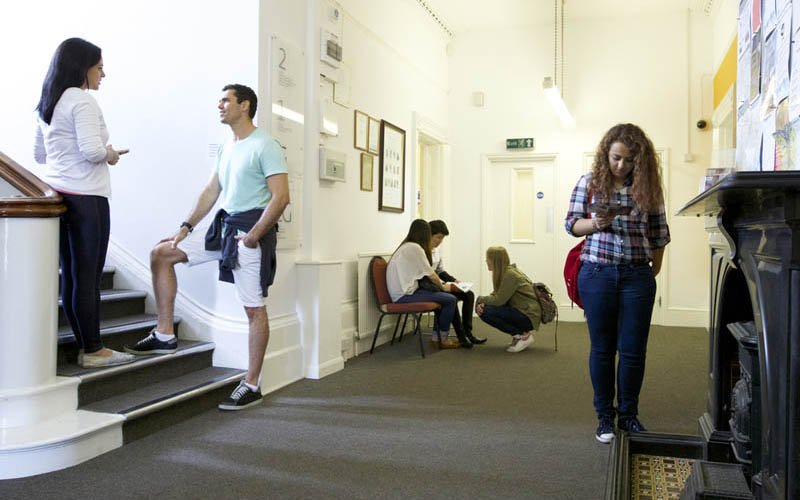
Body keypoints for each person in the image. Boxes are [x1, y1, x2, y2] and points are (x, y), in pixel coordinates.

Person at [123, 84, 290, 411]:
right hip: (223, 227)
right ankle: (165, 334)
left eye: (226, 100)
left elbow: (281, 196)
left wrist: (255, 234)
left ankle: (252, 383)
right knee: (162, 253)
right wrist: (185, 228)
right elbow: (211, 191)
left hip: (248, 233)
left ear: (244, 105)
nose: (220, 105)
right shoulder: (228, 147)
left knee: (254, 309)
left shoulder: (266, 145)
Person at [564, 123, 670, 444]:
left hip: (637, 276)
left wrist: (650, 274)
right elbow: (571, 225)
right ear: (606, 154)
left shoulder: (648, 189)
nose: (621, 165)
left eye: (628, 160)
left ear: (640, 160)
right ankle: (604, 419)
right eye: (616, 158)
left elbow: (659, 236)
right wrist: (595, 223)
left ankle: (628, 415)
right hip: (597, 274)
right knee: (602, 349)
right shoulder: (589, 183)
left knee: (634, 351)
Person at [34, 38, 135, 368]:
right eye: (100, 67)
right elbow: (93, 151)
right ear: (83, 67)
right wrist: (111, 155)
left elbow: (40, 155)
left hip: (61, 197)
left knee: (75, 278)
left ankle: (86, 346)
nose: (103, 74)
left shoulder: (49, 101)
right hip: (88, 198)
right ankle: (93, 350)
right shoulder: (82, 102)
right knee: (88, 278)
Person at [386, 219, 459, 349]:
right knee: (450, 299)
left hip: (405, 292)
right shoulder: (415, 248)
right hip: (403, 296)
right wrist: (443, 287)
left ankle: (437, 339)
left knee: (443, 298)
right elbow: (431, 274)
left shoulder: (407, 246)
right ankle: (442, 339)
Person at [429, 219, 485, 347]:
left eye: (442, 238)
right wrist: (445, 286)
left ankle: (468, 333)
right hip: (431, 286)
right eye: (438, 237)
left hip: (438, 283)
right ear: (429, 235)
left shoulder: (436, 251)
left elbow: (440, 271)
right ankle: (461, 337)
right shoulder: (422, 251)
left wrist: (455, 281)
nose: (440, 241)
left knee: (469, 294)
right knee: (452, 298)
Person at [475, 247, 541, 353]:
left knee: (485, 311)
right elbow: (497, 295)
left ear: (495, 261)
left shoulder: (510, 275)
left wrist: (479, 300)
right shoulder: (506, 272)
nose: (486, 261)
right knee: (485, 308)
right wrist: (483, 302)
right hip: (524, 312)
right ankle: (519, 335)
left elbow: (498, 300)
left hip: (528, 316)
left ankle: (522, 336)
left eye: (488, 258)